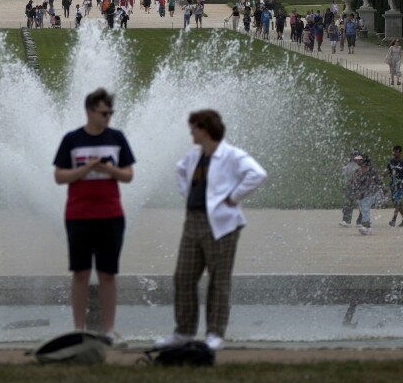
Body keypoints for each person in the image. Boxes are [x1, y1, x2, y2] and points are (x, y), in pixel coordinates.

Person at [155, 109, 266, 353]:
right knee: (183, 276)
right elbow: (180, 170)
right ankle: (183, 331)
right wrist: (190, 195)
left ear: (205, 129)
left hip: (223, 225)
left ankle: (215, 333)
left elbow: (257, 174)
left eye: (194, 128)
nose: (191, 132)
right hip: (194, 220)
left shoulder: (232, 155)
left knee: (219, 280)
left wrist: (234, 197)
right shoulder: (195, 154)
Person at [53, 88, 136, 343]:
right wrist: (86, 167)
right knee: (80, 273)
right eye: (103, 112)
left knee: (107, 273)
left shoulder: (117, 138)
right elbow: (59, 177)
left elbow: (128, 175)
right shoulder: (72, 140)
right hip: (78, 215)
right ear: (89, 111)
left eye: (110, 112)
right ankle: (79, 330)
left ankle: (109, 330)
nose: (108, 117)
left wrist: (110, 169)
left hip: (111, 215)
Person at [347, 154, 382, 234]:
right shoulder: (357, 171)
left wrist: (374, 182)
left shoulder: (371, 170)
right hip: (361, 193)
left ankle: (365, 226)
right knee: (363, 209)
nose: (357, 161)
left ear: (363, 161)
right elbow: (353, 182)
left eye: (359, 160)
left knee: (365, 207)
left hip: (371, 192)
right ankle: (368, 228)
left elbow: (379, 180)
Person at [386, 146, 403, 227]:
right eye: (394, 151)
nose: (395, 153)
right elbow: (388, 171)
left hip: (400, 184)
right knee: (397, 203)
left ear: (400, 153)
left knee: (397, 202)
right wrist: (380, 175)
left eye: (396, 152)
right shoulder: (391, 161)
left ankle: (393, 219)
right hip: (393, 185)